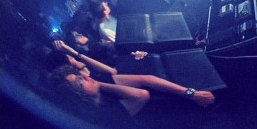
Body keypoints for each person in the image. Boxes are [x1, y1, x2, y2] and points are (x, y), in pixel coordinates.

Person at [48, 40, 215, 118]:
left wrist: (190, 93)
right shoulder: (105, 115)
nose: (84, 76)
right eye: (79, 81)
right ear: (78, 97)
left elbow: (142, 78)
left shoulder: (96, 85)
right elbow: (142, 95)